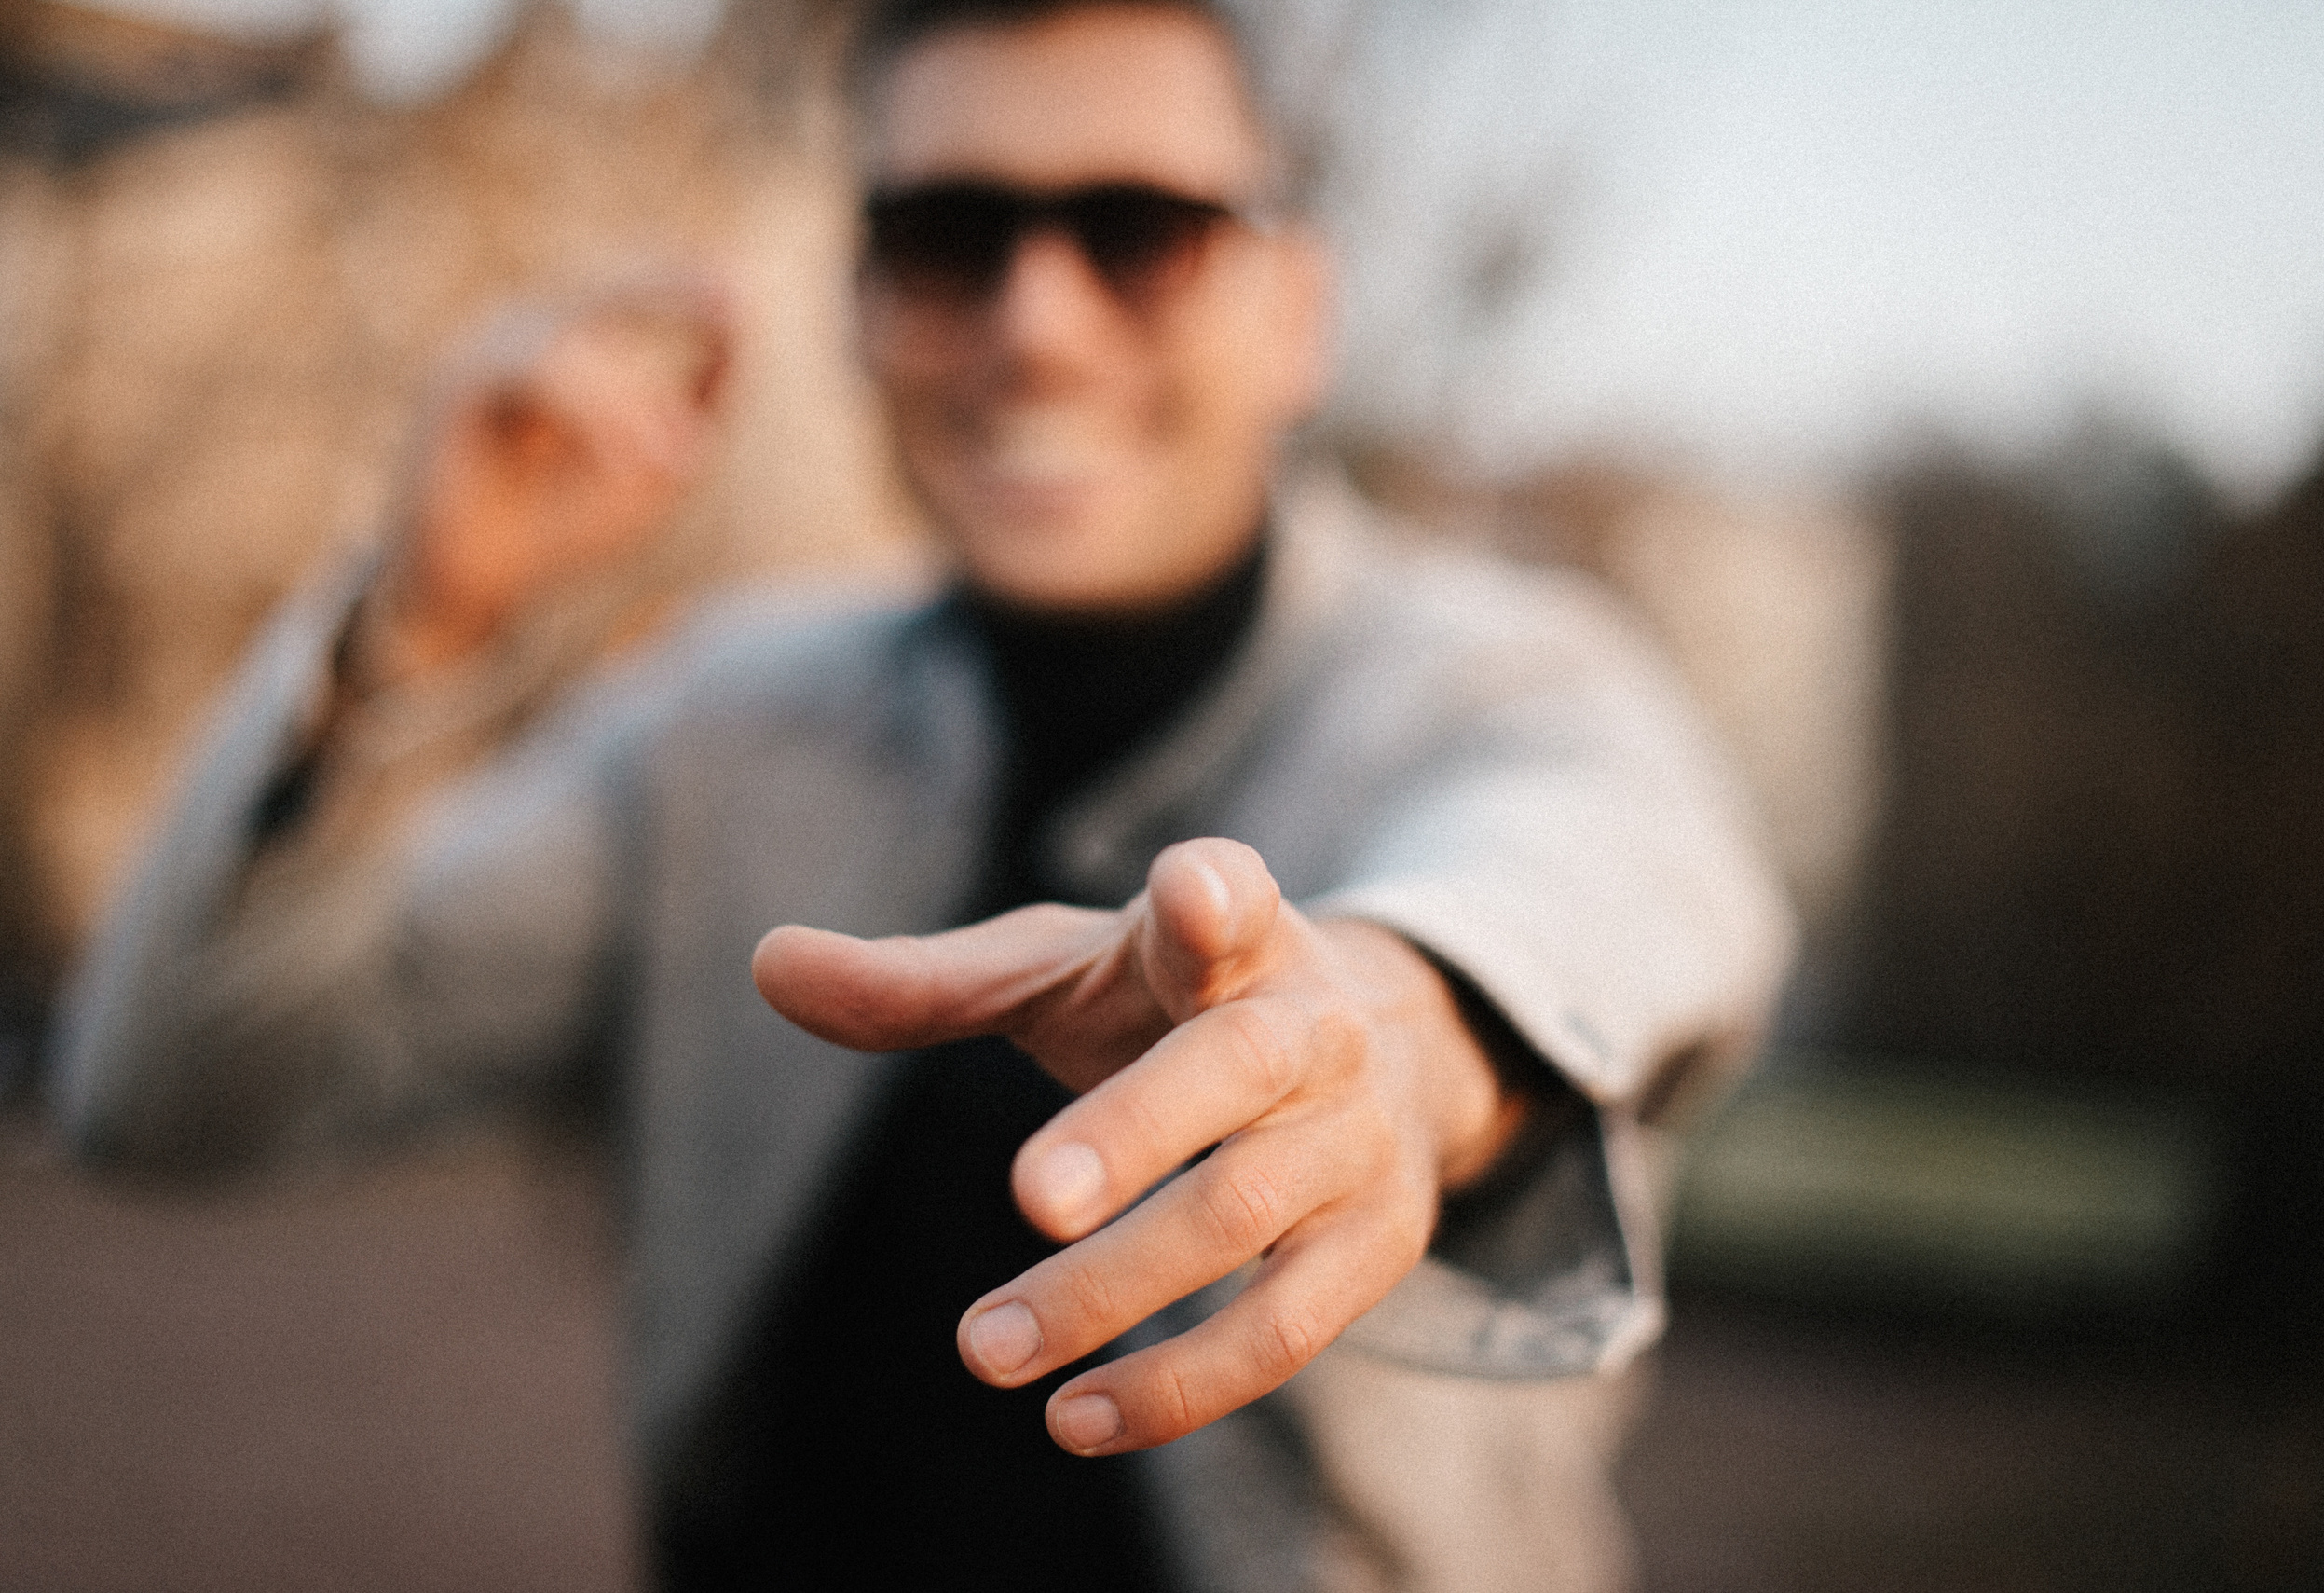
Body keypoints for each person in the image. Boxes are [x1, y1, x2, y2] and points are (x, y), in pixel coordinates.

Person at [52, 0, 1795, 1587]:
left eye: (1139, 234)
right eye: (948, 237)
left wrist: (1405, 1034)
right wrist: (406, 626)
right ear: (861, 306)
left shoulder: (1498, 678)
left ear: (1295, 310)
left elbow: (1614, 875)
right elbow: (162, 1092)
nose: (1035, 325)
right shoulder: (714, 727)